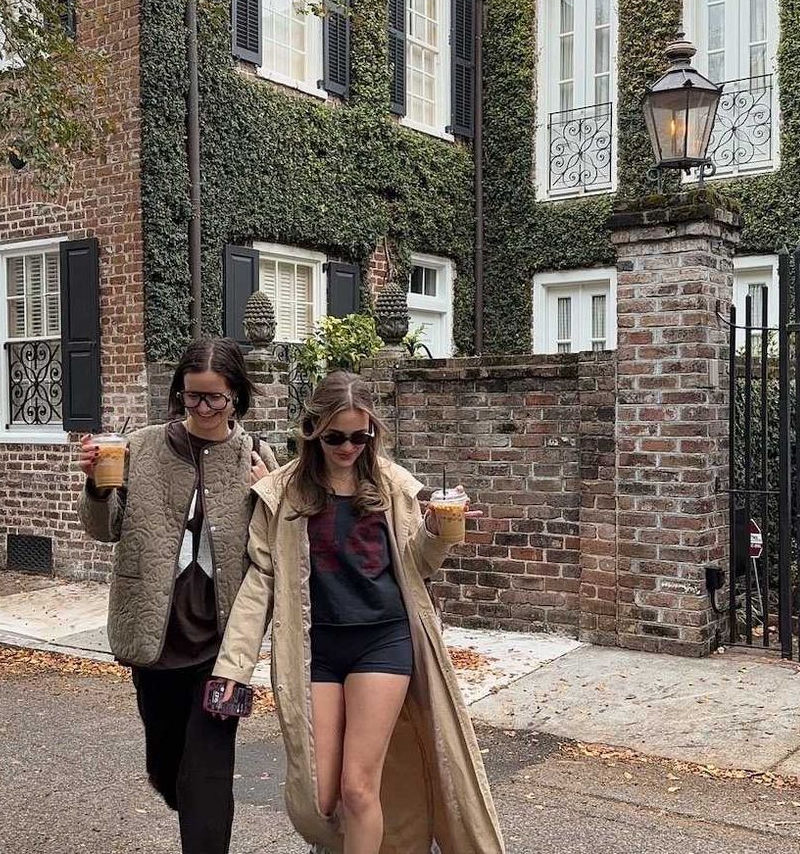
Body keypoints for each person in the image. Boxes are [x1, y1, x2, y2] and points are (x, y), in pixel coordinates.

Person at [210, 371, 505, 854]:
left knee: (357, 787)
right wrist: (233, 668)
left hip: (383, 643)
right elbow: (261, 581)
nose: (348, 446)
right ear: (313, 431)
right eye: (335, 436)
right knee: (318, 796)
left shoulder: (392, 486)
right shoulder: (283, 493)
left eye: (359, 435)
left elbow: (417, 566)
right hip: (317, 649)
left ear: (372, 431)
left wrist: (434, 531)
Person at [77, 337, 277, 854]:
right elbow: (106, 530)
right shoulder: (140, 447)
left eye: (216, 398)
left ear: (237, 397)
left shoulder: (255, 456)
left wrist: (271, 493)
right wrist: (97, 488)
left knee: (208, 775)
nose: (204, 408)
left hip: (222, 646)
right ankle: (177, 788)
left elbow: (274, 549)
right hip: (155, 638)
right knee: (168, 769)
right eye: (193, 397)